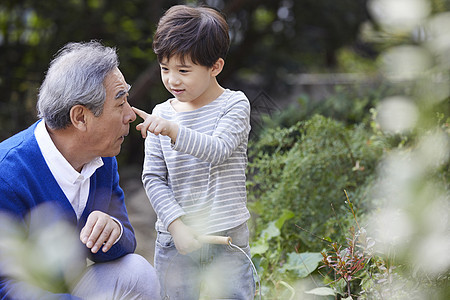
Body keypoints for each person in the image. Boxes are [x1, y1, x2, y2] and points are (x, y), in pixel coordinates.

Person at [0, 41, 160, 299]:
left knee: (137, 272)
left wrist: (114, 230)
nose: (131, 115)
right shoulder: (6, 177)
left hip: (67, 290)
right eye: (120, 104)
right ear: (80, 118)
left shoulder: (101, 158)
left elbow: (127, 240)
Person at [132, 4, 255, 299]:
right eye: (165, 69)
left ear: (215, 66)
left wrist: (173, 130)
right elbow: (152, 178)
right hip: (176, 240)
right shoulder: (160, 113)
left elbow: (218, 150)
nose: (172, 80)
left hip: (228, 238)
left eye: (183, 70)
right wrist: (176, 227)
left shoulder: (235, 105)